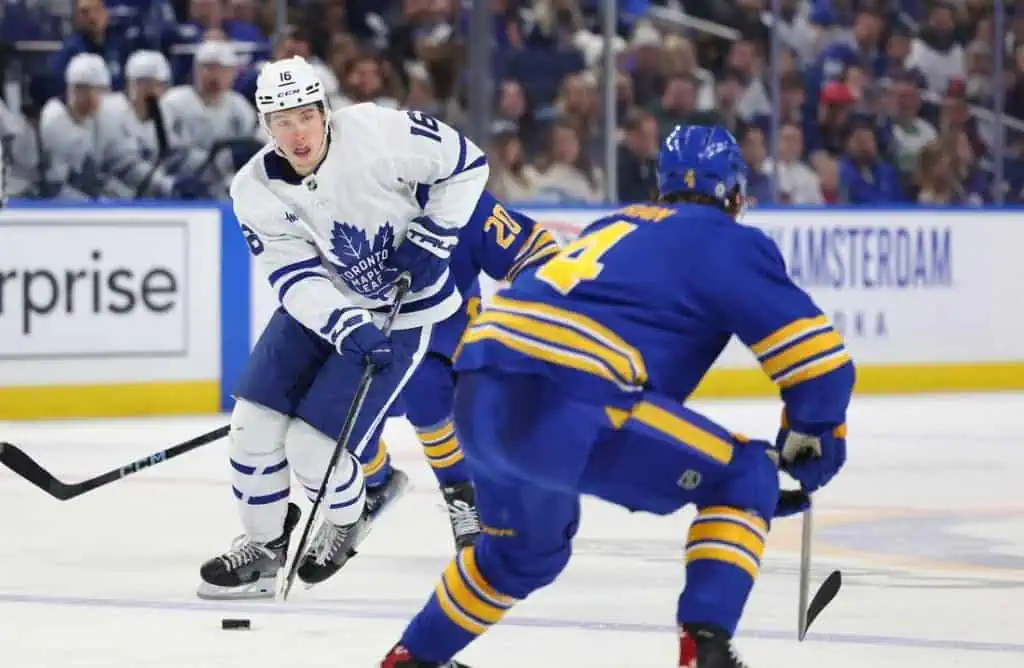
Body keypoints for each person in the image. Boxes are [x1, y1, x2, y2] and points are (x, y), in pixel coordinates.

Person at [379, 125, 855, 668]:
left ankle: (412, 660)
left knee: (521, 552)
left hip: (479, 385)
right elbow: (819, 365)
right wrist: (815, 441)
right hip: (570, 395)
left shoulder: (615, 225)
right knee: (745, 476)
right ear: (736, 195)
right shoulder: (731, 239)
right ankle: (706, 653)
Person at [197, 56, 489, 600]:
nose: (297, 131)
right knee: (250, 429)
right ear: (265, 126)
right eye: (282, 120)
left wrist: (435, 236)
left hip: (405, 312)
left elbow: (467, 164)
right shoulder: (254, 188)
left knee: (314, 451)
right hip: (320, 311)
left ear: (325, 111)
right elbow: (295, 276)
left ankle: (352, 515)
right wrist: (347, 323)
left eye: (305, 115)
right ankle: (264, 549)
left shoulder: (379, 131)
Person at [357, 189, 561, 549]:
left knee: (428, 394)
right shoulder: (350, 186)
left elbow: (537, 254)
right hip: (374, 333)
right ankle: (377, 485)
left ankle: (463, 495)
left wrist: (535, 310)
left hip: (446, 336)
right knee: (340, 418)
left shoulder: (455, 192)